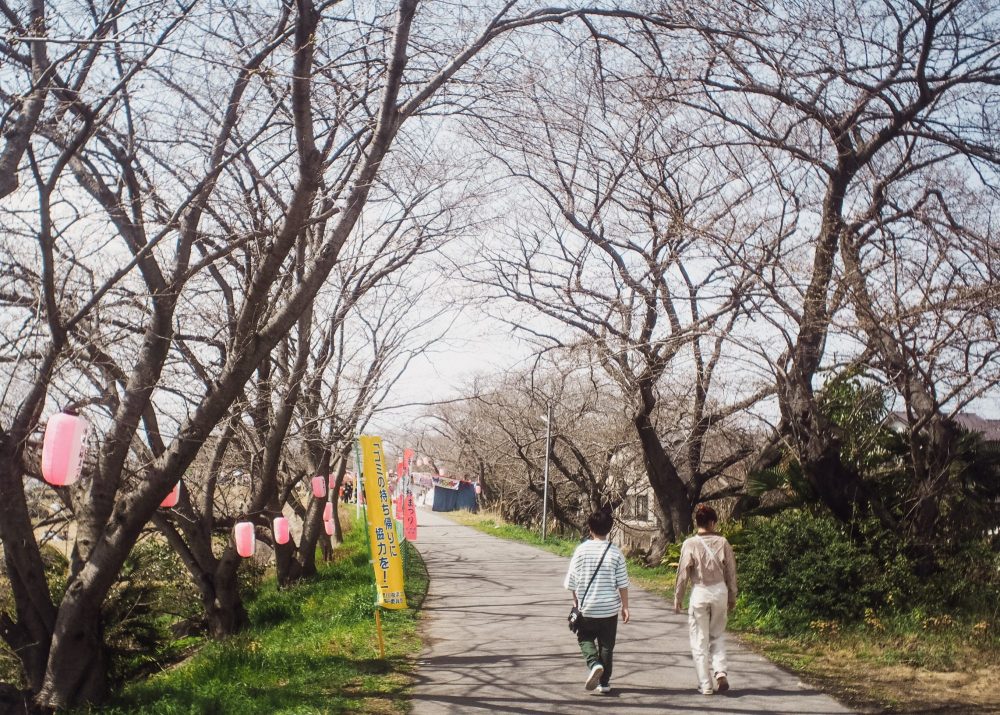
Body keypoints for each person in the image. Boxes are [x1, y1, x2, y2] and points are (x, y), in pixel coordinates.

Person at [674, 504, 738, 696]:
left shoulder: (690, 544)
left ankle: (706, 684)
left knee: (699, 640)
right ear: (712, 522)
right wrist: (732, 595)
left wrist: (678, 597)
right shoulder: (723, 542)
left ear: (697, 522)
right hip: (720, 591)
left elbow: (683, 573)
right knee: (717, 634)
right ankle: (720, 671)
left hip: (700, 592)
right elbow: (731, 572)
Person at [564, 509, 630, 694]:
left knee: (584, 637)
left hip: (588, 608)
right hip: (609, 609)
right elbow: (623, 583)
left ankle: (594, 663)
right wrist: (625, 607)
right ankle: (604, 683)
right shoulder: (616, 553)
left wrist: (576, 601)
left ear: (590, 528)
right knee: (607, 645)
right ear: (608, 529)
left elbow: (572, 581)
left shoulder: (581, 550)